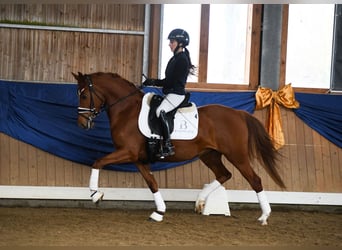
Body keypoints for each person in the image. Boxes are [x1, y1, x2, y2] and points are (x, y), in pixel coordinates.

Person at [143, 28, 196, 159]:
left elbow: (172, 81)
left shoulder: (182, 59)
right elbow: (168, 80)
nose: (170, 44)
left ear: (181, 44)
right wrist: (152, 82)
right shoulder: (175, 59)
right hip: (171, 93)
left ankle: (168, 145)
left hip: (176, 94)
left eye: (172, 41)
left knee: (160, 111)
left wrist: (155, 82)